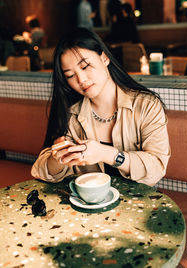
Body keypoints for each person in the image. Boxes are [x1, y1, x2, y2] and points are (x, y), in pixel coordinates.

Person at [31, 27, 170, 187]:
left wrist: (106, 154)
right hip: (91, 206)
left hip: (140, 204)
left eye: (85, 66)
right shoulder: (72, 115)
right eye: (70, 75)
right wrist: (58, 158)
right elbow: (40, 172)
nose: (81, 79)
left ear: (104, 58)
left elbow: (157, 168)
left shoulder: (146, 105)